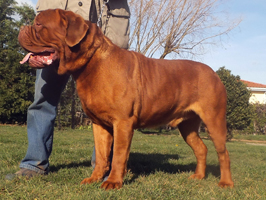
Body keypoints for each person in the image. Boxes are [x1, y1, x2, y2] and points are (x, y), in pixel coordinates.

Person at [6, 0, 130, 179]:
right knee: (43, 99)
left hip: (102, 23)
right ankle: (34, 164)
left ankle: (104, 168)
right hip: (56, 23)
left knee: (110, 108)